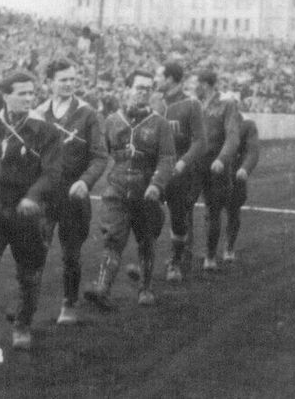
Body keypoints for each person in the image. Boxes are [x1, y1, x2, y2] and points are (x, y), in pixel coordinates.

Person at [0, 70, 61, 353]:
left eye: (32, 93)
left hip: (28, 212)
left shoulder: (46, 131)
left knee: (29, 273)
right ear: (6, 96)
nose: (29, 98)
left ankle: (22, 325)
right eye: (22, 93)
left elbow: (52, 173)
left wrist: (33, 196)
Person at [82, 70, 175, 309]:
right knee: (113, 238)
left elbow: (167, 158)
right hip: (117, 189)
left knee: (146, 240)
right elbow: (102, 154)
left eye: (147, 88)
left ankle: (145, 288)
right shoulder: (113, 121)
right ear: (127, 88)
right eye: (138, 87)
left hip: (147, 191)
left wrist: (157, 184)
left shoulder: (160, 124)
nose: (142, 91)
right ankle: (102, 288)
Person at [34, 59, 107, 325]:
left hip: (73, 194)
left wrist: (86, 182)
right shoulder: (39, 112)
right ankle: (26, 308)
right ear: (49, 82)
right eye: (62, 79)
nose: (68, 84)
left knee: (71, 254)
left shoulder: (88, 114)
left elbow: (100, 156)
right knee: (34, 250)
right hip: (45, 193)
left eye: (72, 79)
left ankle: (69, 303)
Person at [154, 61, 205, 282]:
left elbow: (200, 142)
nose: (156, 80)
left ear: (171, 79)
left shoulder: (191, 104)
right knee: (147, 214)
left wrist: (183, 162)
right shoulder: (154, 103)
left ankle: (175, 262)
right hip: (156, 170)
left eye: (159, 76)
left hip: (181, 172)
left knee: (178, 219)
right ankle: (144, 261)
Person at [192, 70, 242, 271]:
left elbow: (233, 137)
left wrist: (222, 159)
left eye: (197, 83)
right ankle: (183, 255)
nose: (195, 87)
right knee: (185, 205)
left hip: (216, 166)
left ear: (205, 84)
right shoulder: (195, 103)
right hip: (196, 163)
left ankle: (210, 256)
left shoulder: (227, 103)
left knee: (213, 211)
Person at [223, 117, 260, 262]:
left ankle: (229, 246)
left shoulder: (247, 125)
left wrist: (244, 168)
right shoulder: (214, 120)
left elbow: (253, 151)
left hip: (235, 173)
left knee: (233, 210)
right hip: (216, 171)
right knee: (211, 211)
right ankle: (209, 252)